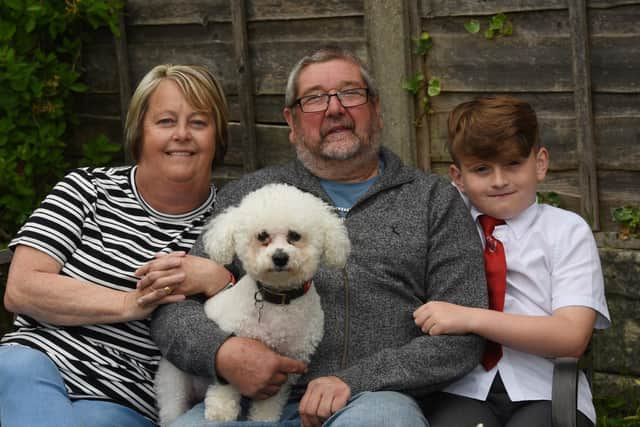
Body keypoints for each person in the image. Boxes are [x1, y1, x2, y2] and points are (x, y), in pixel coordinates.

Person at [151, 46, 488, 427]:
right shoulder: (254, 198)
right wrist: (222, 353)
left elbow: (464, 335)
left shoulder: (431, 199)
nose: (334, 109)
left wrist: (355, 380)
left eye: (350, 93)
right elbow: (173, 308)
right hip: (242, 400)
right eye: (314, 99)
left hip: (370, 401)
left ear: (376, 110)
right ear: (291, 122)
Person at [0, 64, 234, 427]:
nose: (182, 135)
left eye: (199, 123)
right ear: (139, 131)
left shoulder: (231, 226)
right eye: (166, 121)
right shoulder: (86, 189)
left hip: (122, 397)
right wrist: (129, 302)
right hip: (32, 365)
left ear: (217, 136)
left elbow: (248, 319)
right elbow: (21, 287)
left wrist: (220, 281)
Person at [415, 95, 611, 427]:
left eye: (513, 164)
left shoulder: (567, 231)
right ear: (458, 177)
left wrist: (471, 319)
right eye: (481, 169)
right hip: (462, 387)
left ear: (540, 163)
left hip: (545, 388)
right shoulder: (446, 225)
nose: (499, 180)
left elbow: (571, 337)